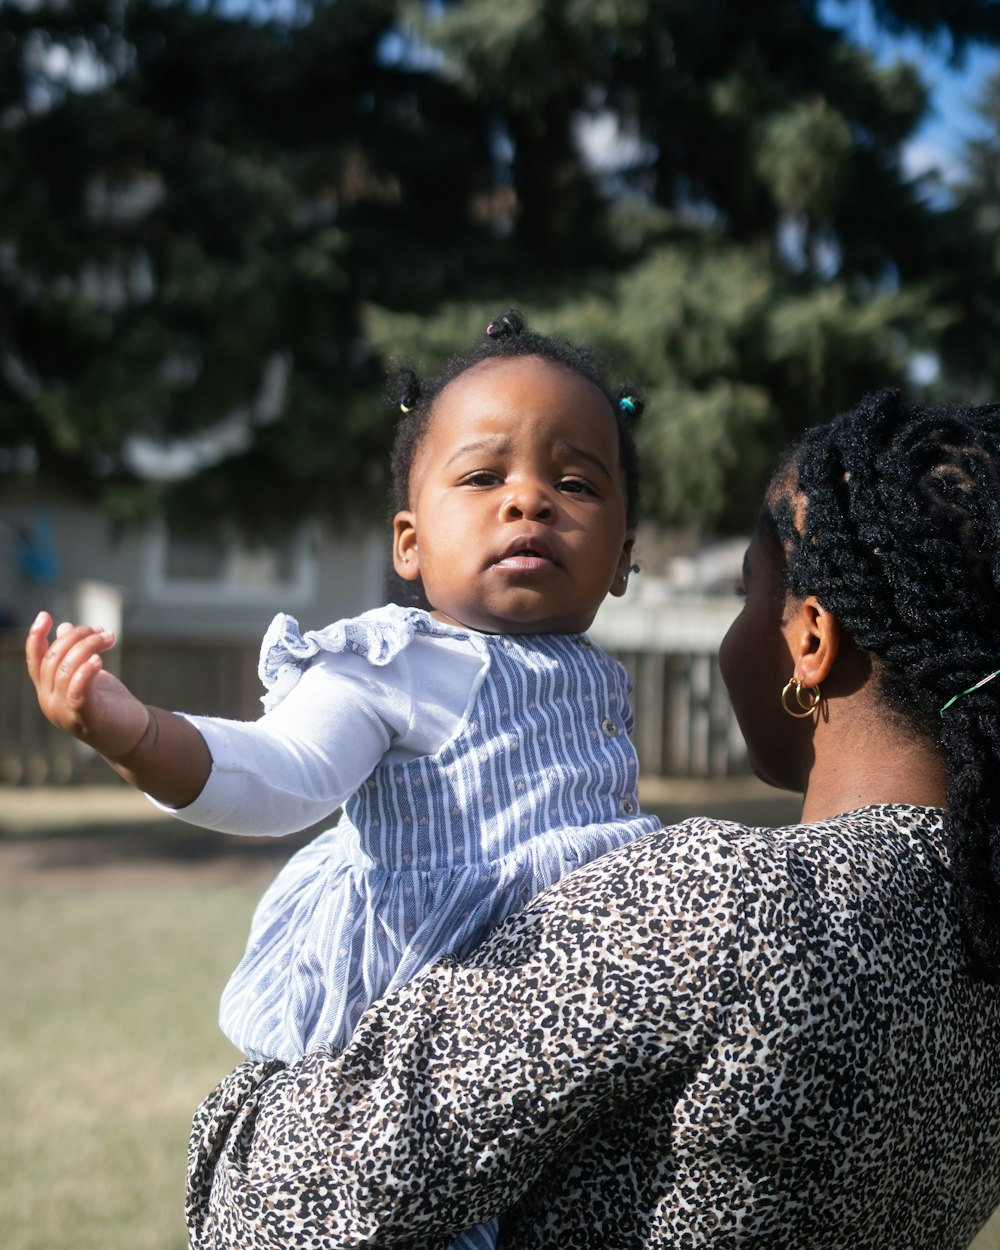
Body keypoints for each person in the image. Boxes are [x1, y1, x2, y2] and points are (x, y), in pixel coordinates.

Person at [179, 388, 1000, 1250]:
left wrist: (251, 1101)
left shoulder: (722, 907)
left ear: (811, 640)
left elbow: (281, 1205)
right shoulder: (982, 930)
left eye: (744, 593)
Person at [25, 311, 662, 1250]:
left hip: (551, 1034)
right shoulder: (399, 661)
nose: (527, 501)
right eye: (483, 477)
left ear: (624, 555)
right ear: (409, 542)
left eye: (574, 482)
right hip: (419, 1044)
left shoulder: (600, 684)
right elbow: (280, 773)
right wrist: (137, 734)